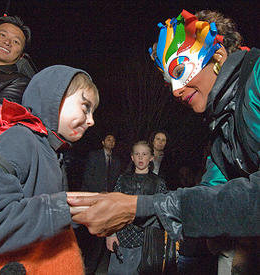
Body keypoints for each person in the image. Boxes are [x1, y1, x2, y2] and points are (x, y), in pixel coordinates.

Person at [68, 9, 260, 274]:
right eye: (168, 79)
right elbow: (211, 191)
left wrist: (141, 207)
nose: (175, 90)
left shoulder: (257, 76)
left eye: (179, 70)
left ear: (217, 55)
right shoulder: (220, 128)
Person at [0, 65, 99, 274]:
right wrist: (63, 208)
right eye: (85, 106)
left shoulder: (54, 152)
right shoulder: (19, 139)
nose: (91, 121)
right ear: (53, 98)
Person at [106, 140, 168, 274]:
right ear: (132, 157)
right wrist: (110, 234)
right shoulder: (122, 179)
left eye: (144, 154)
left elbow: (163, 214)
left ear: (151, 158)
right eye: (137, 154)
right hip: (122, 238)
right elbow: (112, 208)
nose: (140, 157)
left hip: (146, 242)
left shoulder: (158, 183)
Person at [78, 134, 121, 274]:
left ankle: (92, 268)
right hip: (92, 200)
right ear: (103, 142)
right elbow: (87, 177)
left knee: (101, 238)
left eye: (113, 140)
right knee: (88, 237)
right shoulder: (94, 156)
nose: (111, 141)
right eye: (108, 139)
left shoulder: (116, 161)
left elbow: (116, 181)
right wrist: (99, 193)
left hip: (107, 203)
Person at [0, 15, 31, 133]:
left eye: (16, 41)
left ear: (21, 56)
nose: (7, 42)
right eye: (2, 35)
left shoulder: (20, 82)